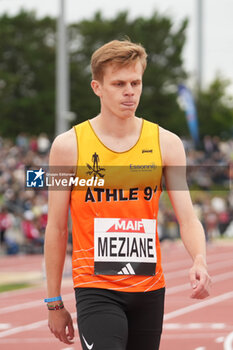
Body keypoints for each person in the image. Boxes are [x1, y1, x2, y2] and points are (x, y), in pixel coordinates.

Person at [44, 39, 211, 349]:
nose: (130, 91)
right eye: (119, 83)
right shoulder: (68, 147)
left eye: (136, 82)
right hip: (96, 286)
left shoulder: (167, 144)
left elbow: (187, 218)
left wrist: (199, 260)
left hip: (149, 287)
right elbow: (56, 227)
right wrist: (54, 302)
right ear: (97, 87)